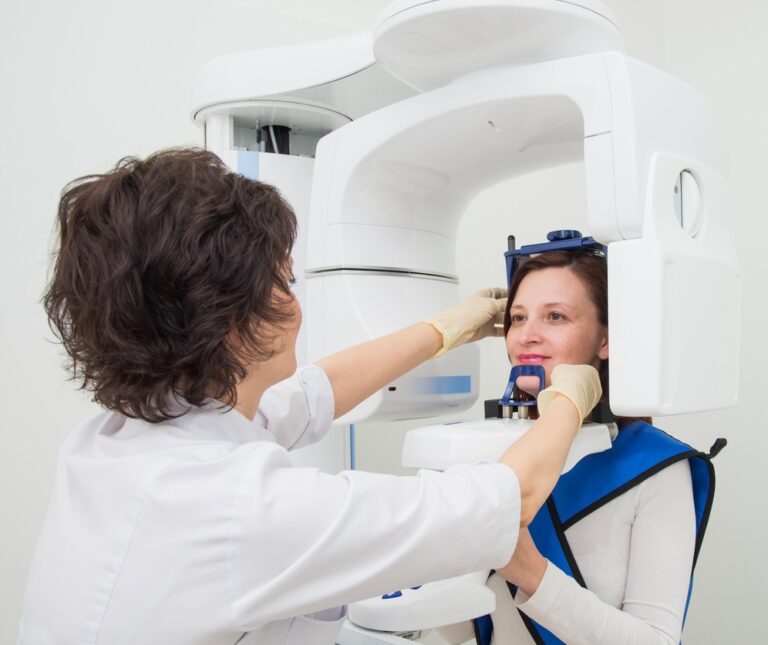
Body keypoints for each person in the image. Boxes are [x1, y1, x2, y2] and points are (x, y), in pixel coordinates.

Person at [17, 149, 603, 645]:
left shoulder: (116, 442)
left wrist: (445, 329)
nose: (294, 303)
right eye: (283, 281)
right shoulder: (237, 509)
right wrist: (570, 400)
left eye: (556, 316)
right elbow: (510, 495)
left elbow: (311, 394)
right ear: (233, 322)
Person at [439, 249, 722, 645]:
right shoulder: (479, 451)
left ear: (605, 339)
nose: (527, 334)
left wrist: (530, 571)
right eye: (518, 317)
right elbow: (455, 631)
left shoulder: (656, 468)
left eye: (556, 316)